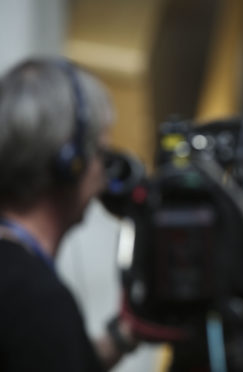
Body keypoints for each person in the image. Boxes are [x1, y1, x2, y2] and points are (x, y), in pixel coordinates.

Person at [0, 57, 138, 371]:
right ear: (69, 161)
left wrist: (125, 335)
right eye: (102, 153)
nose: (105, 174)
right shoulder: (37, 303)